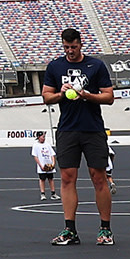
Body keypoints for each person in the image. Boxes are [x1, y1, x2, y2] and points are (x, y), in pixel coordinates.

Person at [41, 29, 115, 246]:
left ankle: (105, 229)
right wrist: (62, 94)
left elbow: (109, 97)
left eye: (73, 47)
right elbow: (46, 97)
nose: (70, 51)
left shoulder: (96, 66)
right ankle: (70, 230)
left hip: (92, 129)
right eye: (66, 47)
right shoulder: (55, 66)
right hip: (67, 129)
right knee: (67, 178)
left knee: (98, 177)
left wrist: (87, 95)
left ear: (80, 44)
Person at [31, 131, 56, 200]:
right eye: (42, 137)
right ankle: (43, 193)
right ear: (39, 137)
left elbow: (52, 154)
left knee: (51, 178)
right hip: (42, 165)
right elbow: (35, 156)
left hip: (49, 164)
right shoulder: (36, 145)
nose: (44, 138)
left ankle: (53, 193)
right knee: (42, 179)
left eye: (44, 137)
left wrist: (53, 163)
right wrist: (40, 165)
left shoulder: (47, 145)